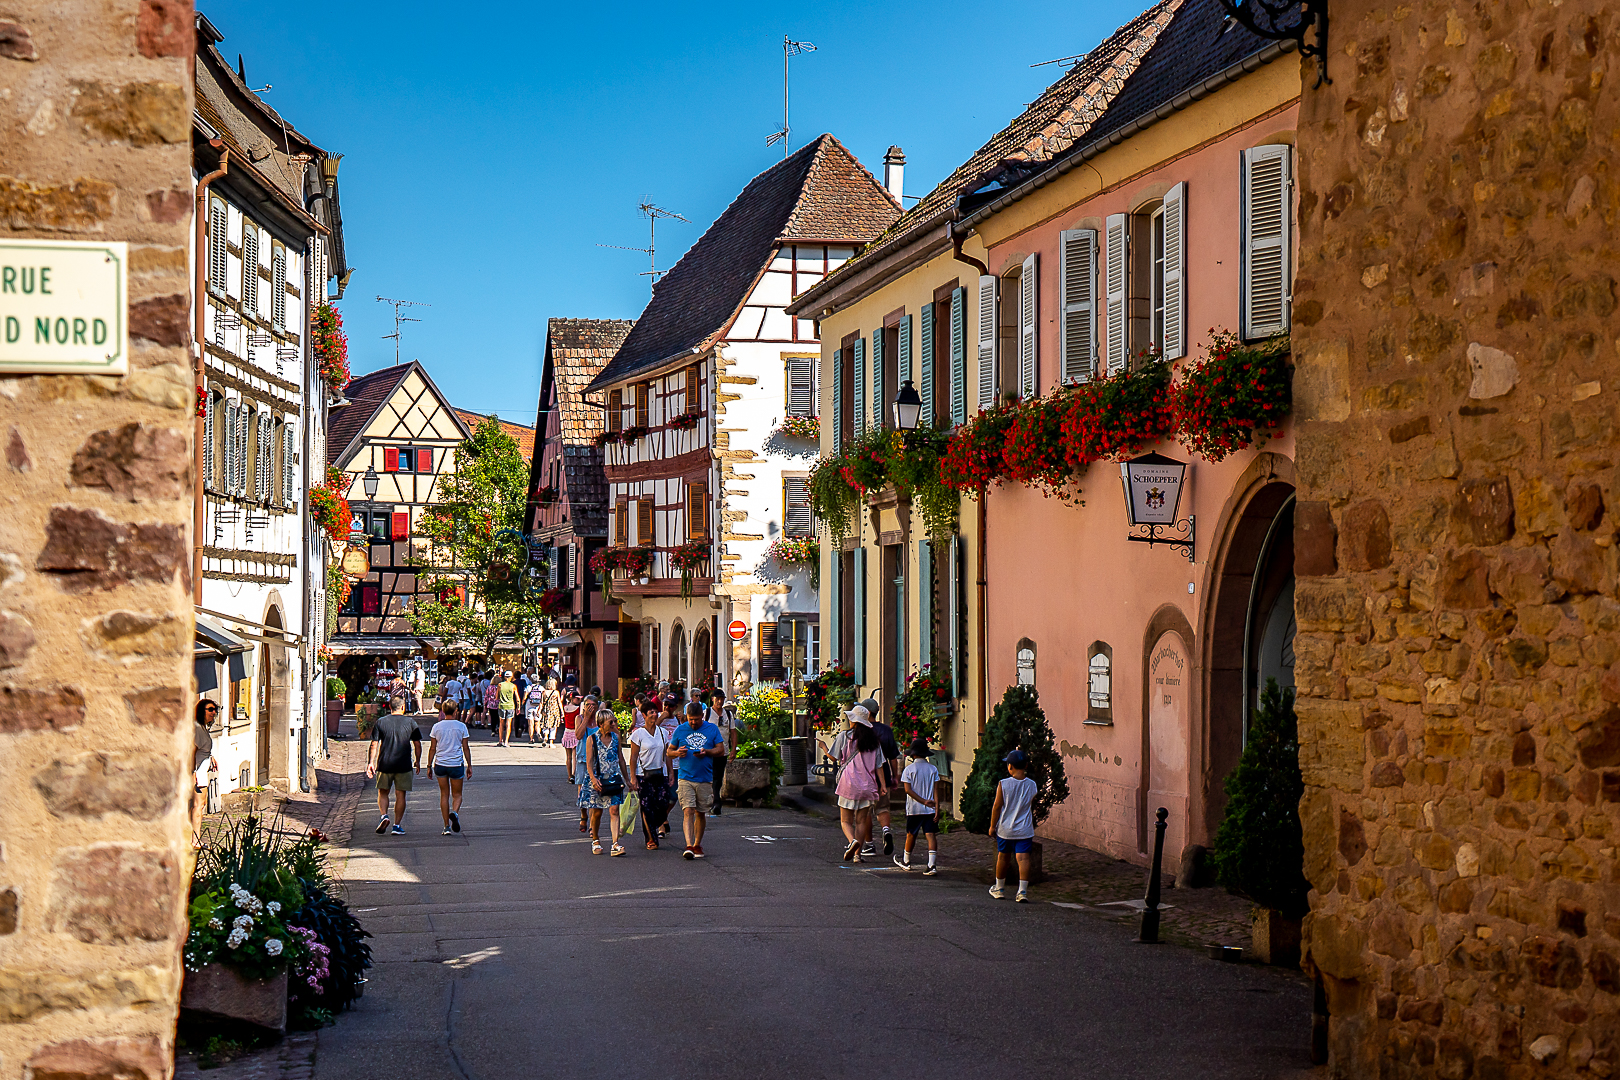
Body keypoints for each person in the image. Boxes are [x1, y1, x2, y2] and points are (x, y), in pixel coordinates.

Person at [666, 701, 725, 859]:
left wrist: (707, 752)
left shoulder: (711, 729)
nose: (693, 722)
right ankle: (689, 845)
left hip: (705, 778)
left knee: (700, 812)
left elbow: (721, 750)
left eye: (696, 719)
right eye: (690, 719)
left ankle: (698, 844)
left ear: (702, 717)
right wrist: (678, 752)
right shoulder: (680, 729)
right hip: (685, 777)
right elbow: (669, 752)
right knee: (688, 810)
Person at [834, 706, 887, 863]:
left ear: (854, 721)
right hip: (868, 785)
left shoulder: (845, 737)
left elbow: (833, 757)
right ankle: (858, 855)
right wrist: (883, 785)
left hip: (848, 784)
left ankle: (852, 842)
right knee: (861, 821)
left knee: (845, 820)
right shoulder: (874, 741)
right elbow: (879, 765)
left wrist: (823, 747)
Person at [581, 703, 634, 856]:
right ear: (601, 723)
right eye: (610, 722)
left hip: (613, 778)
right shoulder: (592, 739)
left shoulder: (616, 738)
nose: (614, 724)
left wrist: (627, 779)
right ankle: (596, 840)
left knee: (614, 810)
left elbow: (621, 759)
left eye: (614, 721)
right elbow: (589, 762)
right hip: (597, 780)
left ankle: (615, 843)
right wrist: (592, 778)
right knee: (597, 813)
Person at [367, 696, 423, 835]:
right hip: (403, 764)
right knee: (400, 795)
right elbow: (417, 744)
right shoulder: (410, 722)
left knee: (383, 791)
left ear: (389, 707)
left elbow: (374, 744)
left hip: (385, 763)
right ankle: (397, 825)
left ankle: (384, 815)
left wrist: (370, 763)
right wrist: (417, 761)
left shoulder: (381, 722)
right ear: (403, 707)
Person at [987, 749, 1038, 902]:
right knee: (1023, 859)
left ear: (1010, 767)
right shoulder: (1032, 785)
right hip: (1024, 829)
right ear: (1026, 765)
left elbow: (997, 806)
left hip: (1005, 829)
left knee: (1003, 857)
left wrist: (992, 826)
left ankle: (999, 888)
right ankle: (1022, 891)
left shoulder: (1004, 784)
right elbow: (1031, 803)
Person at [857, 697, 901, 857]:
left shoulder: (862, 730)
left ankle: (869, 844)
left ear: (867, 713)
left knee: (866, 812)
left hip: (866, 777)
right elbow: (893, 757)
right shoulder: (886, 730)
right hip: (884, 776)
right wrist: (895, 776)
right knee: (883, 807)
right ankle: (886, 830)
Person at [629, 706, 673, 849]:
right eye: (651, 712)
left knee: (663, 803)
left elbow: (667, 754)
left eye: (656, 712)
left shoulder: (663, 732)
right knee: (647, 807)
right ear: (644, 715)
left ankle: (655, 824)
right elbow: (633, 756)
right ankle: (651, 838)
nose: (654, 715)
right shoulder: (638, 734)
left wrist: (671, 773)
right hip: (643, 775)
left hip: (661, 773)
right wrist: (633, 777)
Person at [896, 737, 941, 875]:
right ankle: (932, 865)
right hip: (930, 810)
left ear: (913, 754)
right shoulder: (933, 769)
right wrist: (937, 808)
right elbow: (935, 790)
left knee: (911, 834)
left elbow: (908, 790)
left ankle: (906, 861)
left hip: (914, 809)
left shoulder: (909, 770)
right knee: (931, 835)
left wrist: (922, 801)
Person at [428, 701, 473, 835]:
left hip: (440, 764)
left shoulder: (436, 727)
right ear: (455, 712)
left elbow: (432, 748)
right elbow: (465, 747)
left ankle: (446, 826)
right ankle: (454, 813)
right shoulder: (461, 726)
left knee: (444, 794)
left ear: (443, 711)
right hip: (456, 764)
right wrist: (469, 765)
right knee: (457, 795)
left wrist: (429, 765)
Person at [191, 700, 219, 845]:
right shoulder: (197, 729)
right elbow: (191, 751)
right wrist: (193, 772)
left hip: (200, 771)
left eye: (215, 709)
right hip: (197, 773)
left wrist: (210, 757)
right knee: (198, 805)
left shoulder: (202, 728)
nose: (213, 712)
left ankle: (193, 838)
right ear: (202, 711)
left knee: (198, 805)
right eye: (210, 709)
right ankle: (195, 840)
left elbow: (202, 749)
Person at [706, 688, 736, 817]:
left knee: (718, 777)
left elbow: (733, 732)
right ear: (712, 699)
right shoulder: (706, 713)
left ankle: (716, 802)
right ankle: (713, 801)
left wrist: (733, 749)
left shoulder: (728, 714)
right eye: (717, 699)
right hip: (708, 751)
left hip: (722, 751)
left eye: (721, 699)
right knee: (710, 777)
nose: (719, 701)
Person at [573, 698, 600, 833]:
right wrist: (586, 718)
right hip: (583, 758)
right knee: (582, 792)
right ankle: (583, 815)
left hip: (597, 759)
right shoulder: (579, 718)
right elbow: (578, 735)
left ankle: (592, 826)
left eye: (593, 705)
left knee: (594, 793)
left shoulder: (600, 719)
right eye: (587, 705)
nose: (590, 708)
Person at [523, 677, 548, 746]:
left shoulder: (528, 687)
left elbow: (525, 697)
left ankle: (531, 739)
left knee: (530, 723)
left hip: (529, 705)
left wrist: (522, 704)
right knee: (537, 722)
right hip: (538, 706)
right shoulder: (541, 688)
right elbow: (543, 697)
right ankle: (538, 733)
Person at [497, 670, 519, 747]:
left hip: (502, 705)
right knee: (508, 724)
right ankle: (506, 741)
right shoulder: (513, 686)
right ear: (511, 677)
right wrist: (518, 707)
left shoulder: (500, 685)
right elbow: (517, 698)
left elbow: (497, 696)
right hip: (510, 706)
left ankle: (500, 740)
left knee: (501, 723)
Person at [484, 672, 502, 737]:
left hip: (491, 704)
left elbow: (486, 696)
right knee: (498, 717)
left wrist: (485, 704)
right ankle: (498, 728)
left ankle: (493, 730)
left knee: (492, 718)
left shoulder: (489, 687)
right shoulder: (500, 687)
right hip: (499, 704)